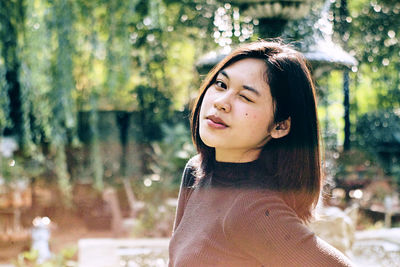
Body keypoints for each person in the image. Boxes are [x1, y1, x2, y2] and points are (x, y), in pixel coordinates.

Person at [168, 40, 354, 267]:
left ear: (280, 126)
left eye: (245, 97)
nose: (221, 102)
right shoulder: (196, 172)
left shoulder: (252, 209)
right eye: (221, 84)